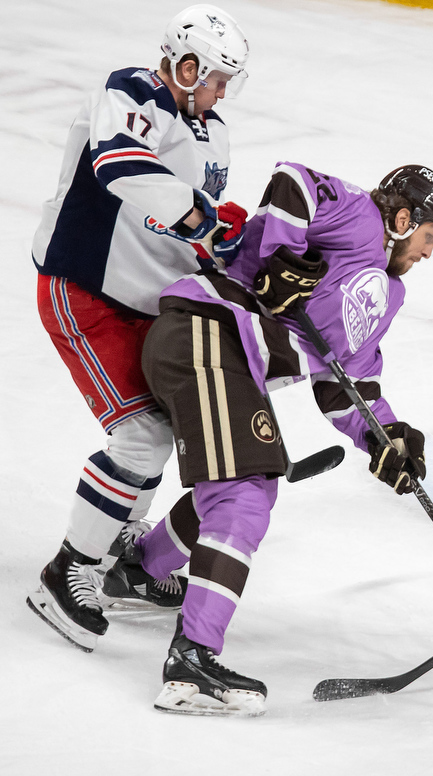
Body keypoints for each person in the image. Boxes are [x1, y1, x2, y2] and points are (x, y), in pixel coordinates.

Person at [106, 161, 433, 716]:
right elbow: (293, 181)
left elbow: (344, 387)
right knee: (243, 493)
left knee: (245, 479)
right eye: (430, 236)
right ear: (405, 217)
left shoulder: (388, 295)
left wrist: (386, 437)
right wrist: (279, 257)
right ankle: (192, 664)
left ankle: (138, 572)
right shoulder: (362, 216)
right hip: (207, 331)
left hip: (231, 358)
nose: (429, 252)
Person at [27, 4, 251, 653]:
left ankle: (119, 551)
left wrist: (233, 250)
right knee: (141, 436)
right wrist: (205, 220)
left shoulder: (215, 135)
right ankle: (67, 571)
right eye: (215, 77)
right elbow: (120, 166)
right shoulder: (130, 92)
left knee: (166, 427)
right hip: (84, 289)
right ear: (186, 65)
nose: (220, 91)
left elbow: (191, 230)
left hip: (147, 303)